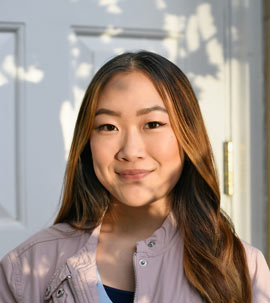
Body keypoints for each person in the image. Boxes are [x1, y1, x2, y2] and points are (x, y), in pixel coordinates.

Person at [0, 51, 270, 303]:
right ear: (87, 143)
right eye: (108, 127)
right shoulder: (26, 265)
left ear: (187, 136)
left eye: (153, 124)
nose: (130, 151)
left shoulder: (243, 267)